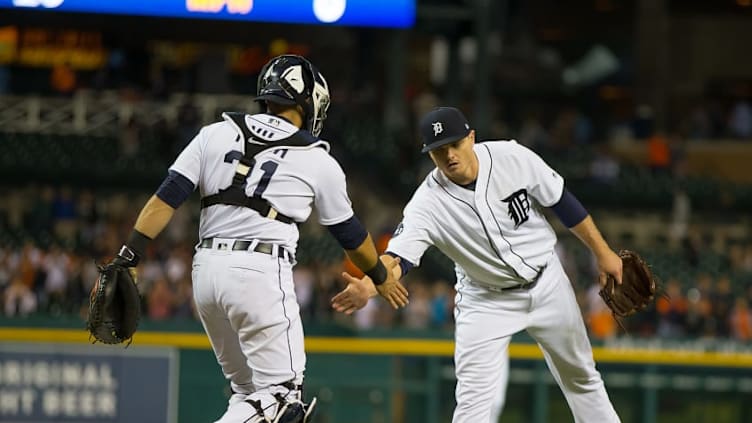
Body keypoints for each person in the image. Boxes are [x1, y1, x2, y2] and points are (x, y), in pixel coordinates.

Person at [106, 54, 408, 423]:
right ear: (306, 100)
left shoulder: (214, 133)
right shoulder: (317, 159)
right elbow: (351, 236)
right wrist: (380, 275)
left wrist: (128, 255)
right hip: (259, 271)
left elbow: (165, 199)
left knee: (250, 394)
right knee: (283, 398)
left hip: (205, 276)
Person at [333, 106, 622, 422]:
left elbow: (562, 202)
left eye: (454, 145)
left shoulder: (512, 157)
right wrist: (369, 282)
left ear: (471, 138)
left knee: (582, 377)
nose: (449, 156)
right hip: (486, 301)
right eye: (438, 151)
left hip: (548, 282)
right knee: (473, 407)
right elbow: (399, 258)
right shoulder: (427, 203)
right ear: (429, 156)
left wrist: (603, 253)